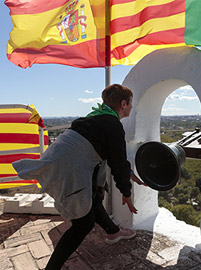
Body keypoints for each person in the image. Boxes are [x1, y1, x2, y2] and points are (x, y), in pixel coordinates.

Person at [12, 84, 146, 270]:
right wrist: (126, 192)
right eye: (131, 103)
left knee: (94, 196)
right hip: (68, 169)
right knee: (83, 224)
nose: (132, 107)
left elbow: (114, 157)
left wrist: (128, 174)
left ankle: (114, 232)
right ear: (123, 104)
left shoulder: (95, 118)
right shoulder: (112, 124)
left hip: (58, 163)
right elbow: (117, 163)